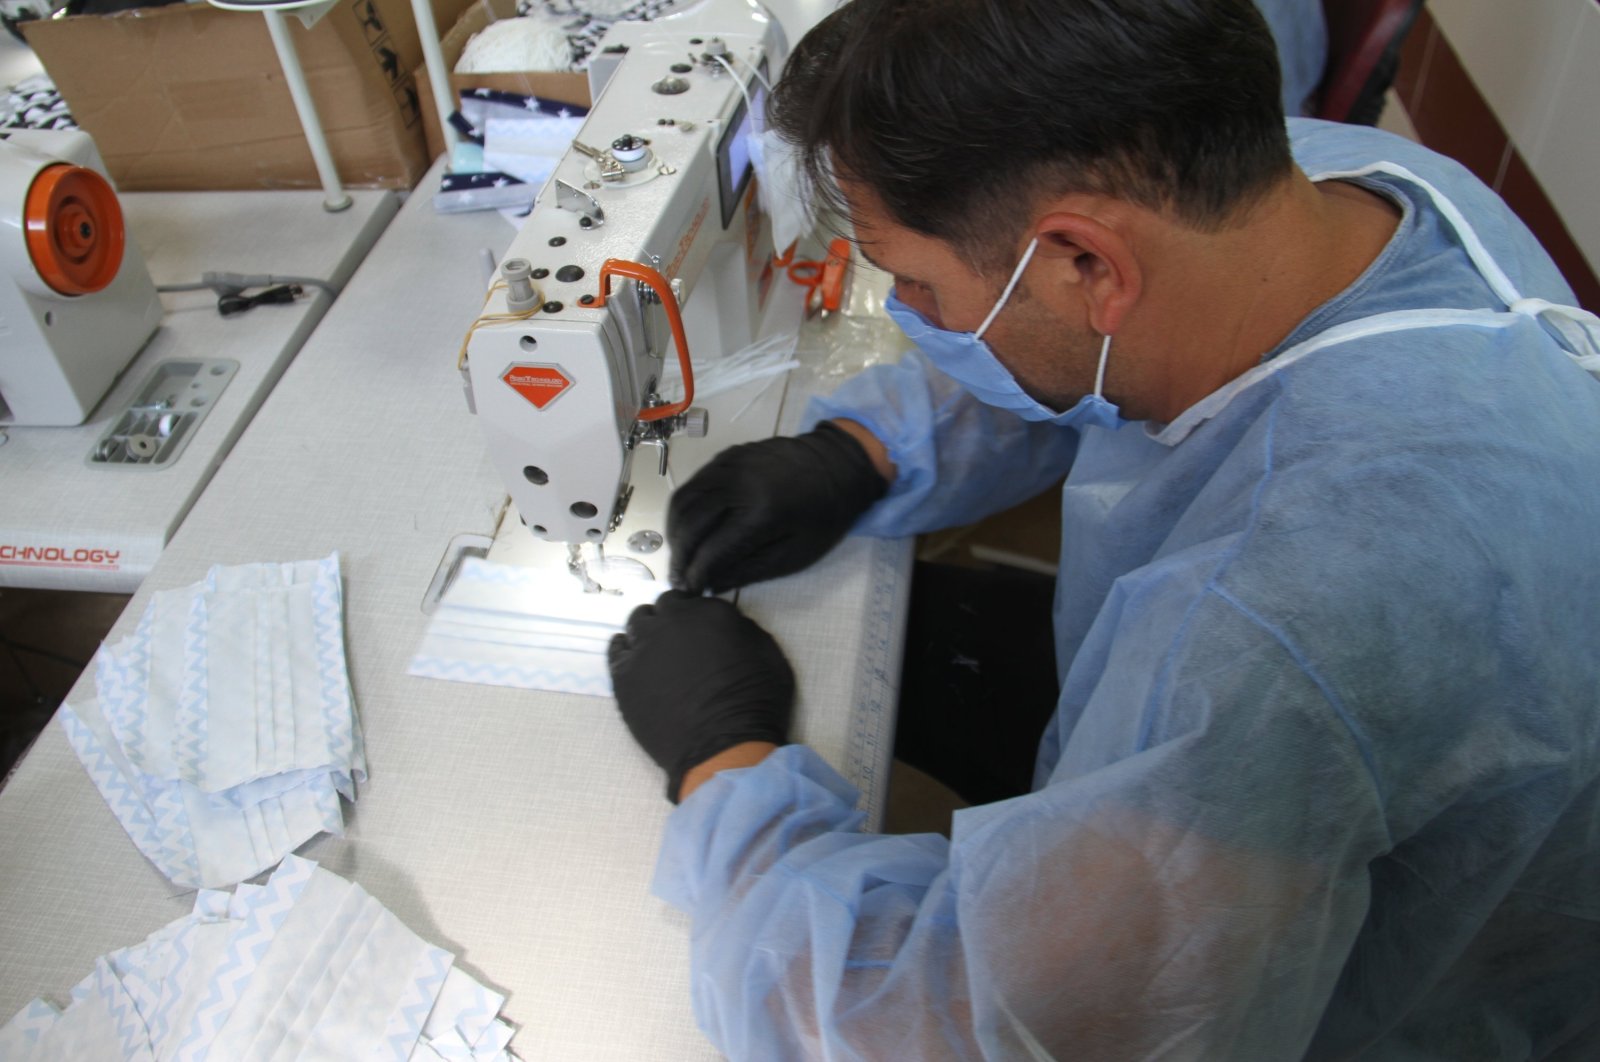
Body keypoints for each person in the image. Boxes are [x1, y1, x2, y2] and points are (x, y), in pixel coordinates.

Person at [604, 0, 1600, 1056]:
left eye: (917, 284)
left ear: (1085, 263)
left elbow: (962, 1028)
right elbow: (1086, 352)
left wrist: (724, 765)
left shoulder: (1285, 626)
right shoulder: (1327, 188)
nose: (907, 314)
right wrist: (867, 451)